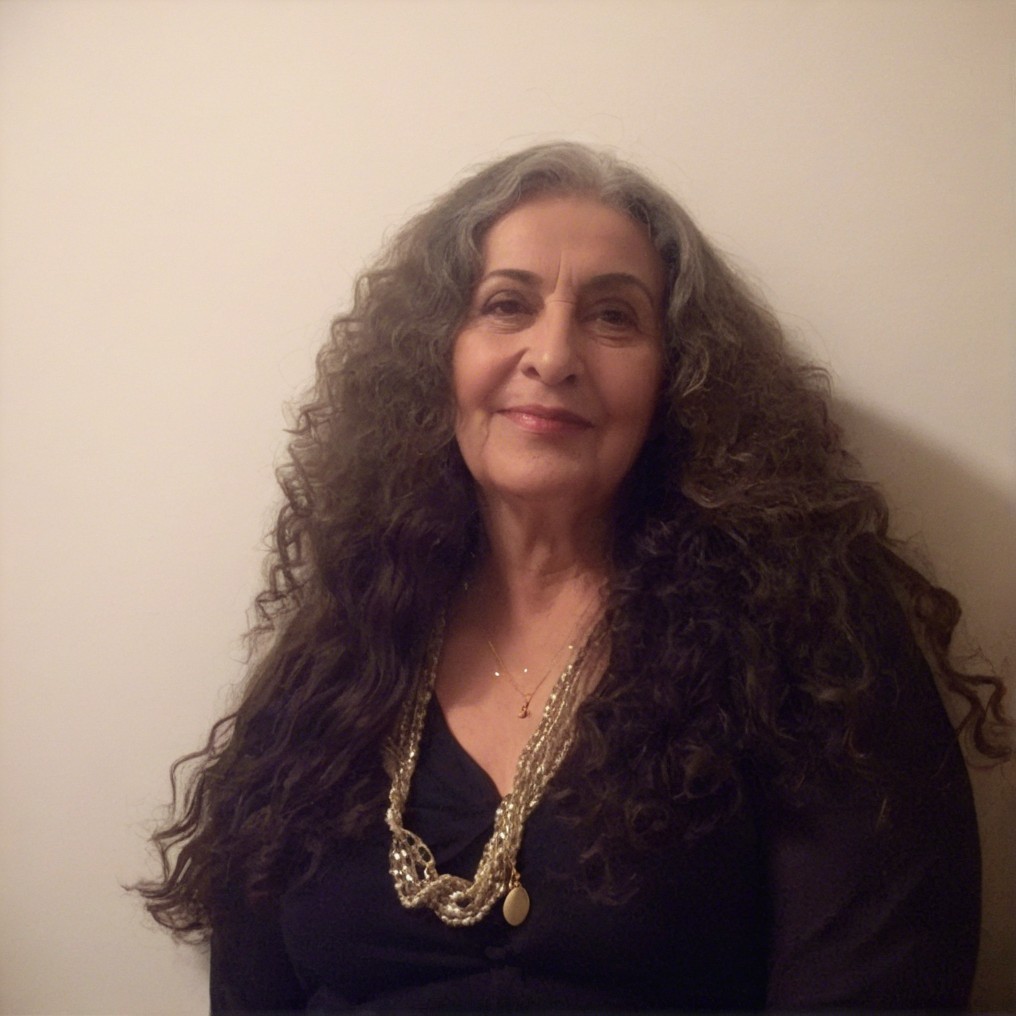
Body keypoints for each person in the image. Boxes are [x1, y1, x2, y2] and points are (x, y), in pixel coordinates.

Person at [137, 142, 1010, 1011]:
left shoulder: (806, 633)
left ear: (678, 377)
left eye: (614, 318)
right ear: (435, 356)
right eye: (506, 305)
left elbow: (876, 978)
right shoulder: (343, 645)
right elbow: (250, 985)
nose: (552, 355)